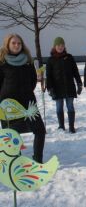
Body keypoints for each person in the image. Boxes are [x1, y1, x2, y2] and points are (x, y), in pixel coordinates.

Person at [0, 33, 46, 163]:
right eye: (13, 43)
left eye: (19, 43)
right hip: (8, 106)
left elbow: (32, 81)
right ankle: (16, 161)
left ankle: (38, 159)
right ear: (8, 44)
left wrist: (25, 91)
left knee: (40, 130)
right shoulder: (2, 62)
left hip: (28, 103)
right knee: (12, 135)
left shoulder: (27, 61)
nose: (16, 45)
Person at [46, 37, 82, 133]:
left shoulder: (69, 57)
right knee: (59, 107)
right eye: (58, 45)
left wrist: (79, 83)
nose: (60, 47)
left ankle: (71, 126)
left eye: (62, 45)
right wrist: (49, 88)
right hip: (57, 88)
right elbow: (48, 75)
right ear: (54, 46)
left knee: (70, 106)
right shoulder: (50, 60)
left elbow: (75, 71)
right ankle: (61, 126)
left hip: (69, 87)